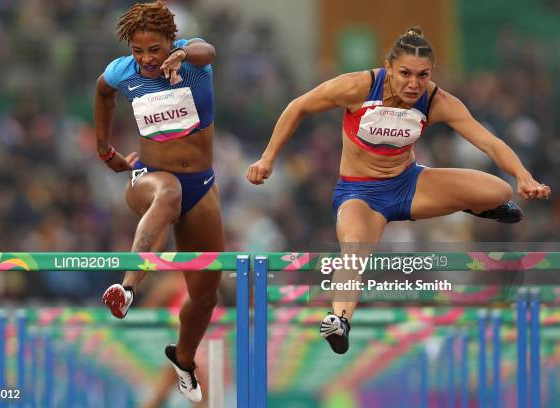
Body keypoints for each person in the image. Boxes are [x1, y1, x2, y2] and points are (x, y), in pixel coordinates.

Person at [246, 27, 551, 354]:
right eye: (405, 73)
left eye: (423, 75)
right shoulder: (359, 86)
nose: (413, 84)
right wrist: (268, 158)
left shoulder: (436, 100)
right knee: (354, 249)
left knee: (499, 190)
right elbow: (298, 106)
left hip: (408, 184)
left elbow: (488, 141)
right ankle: (339, 320)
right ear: (388, 67)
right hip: (360, 194)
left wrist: (523, 175)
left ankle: (478, 205)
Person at [95, 1, 225, 402]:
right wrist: (105, 149)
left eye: (155, 49)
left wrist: (182, 55)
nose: (148, 59)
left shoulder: (192, 58)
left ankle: (184, 359)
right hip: (148, 179)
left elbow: (208, 51)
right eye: (138, 51)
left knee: (205, 295)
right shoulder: (124, 71)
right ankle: (128, 288)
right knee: (167, 192)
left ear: (171, 41)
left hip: (201, 184)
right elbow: (103, 92)